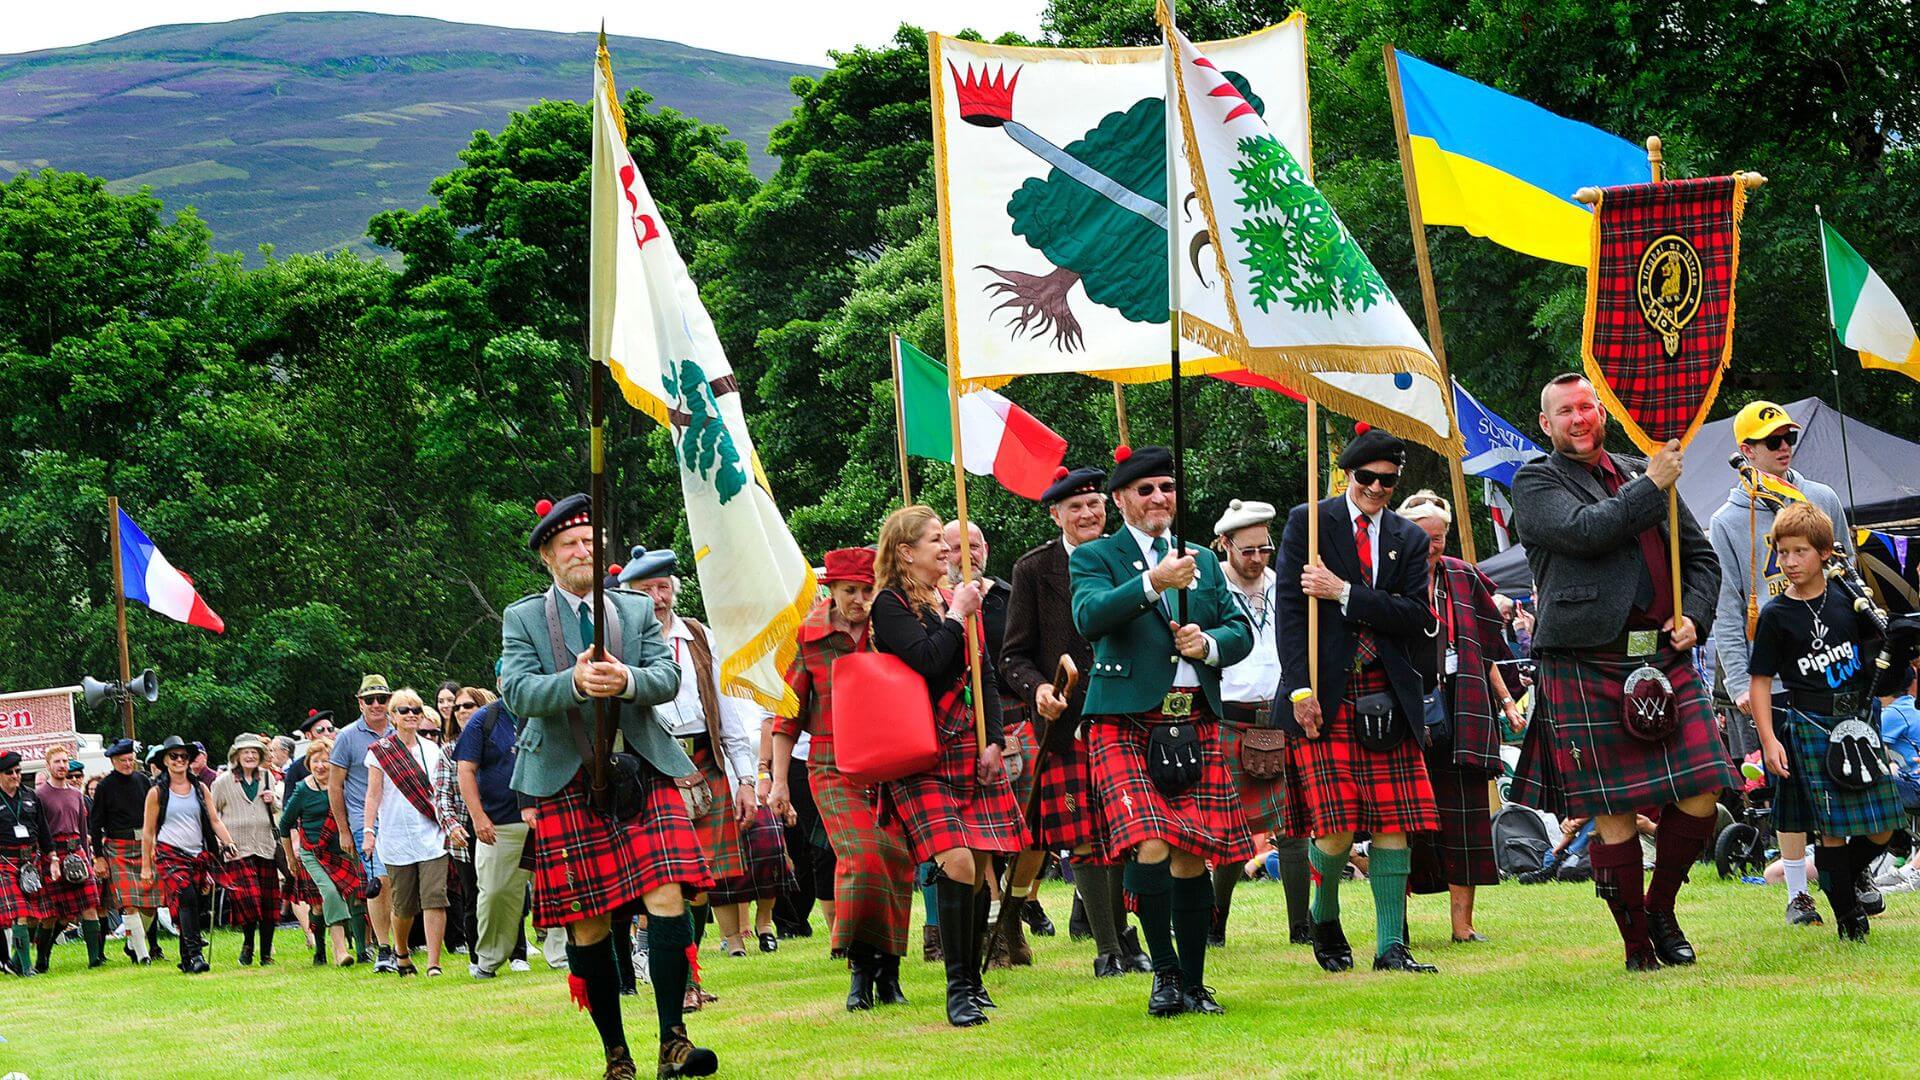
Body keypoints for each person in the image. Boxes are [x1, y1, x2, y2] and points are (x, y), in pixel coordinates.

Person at [1508, 372, 1733, 972]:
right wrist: (1654, 484)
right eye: (1566, 412)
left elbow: (1702, 557)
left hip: (1662, 654)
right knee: (1612, 811)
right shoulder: (1535, 481)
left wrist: (1697, 619)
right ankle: (1637, 946)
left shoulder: (1641, 471)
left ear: (1602, 413)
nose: (1580, 418)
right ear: (1546, 425)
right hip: (1585, 658)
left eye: (1588, 406)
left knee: (1707, 783)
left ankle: (1661, 909)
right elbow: (1586, 533)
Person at [502, 493, 717, 1080]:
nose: (584, 551)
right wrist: (571, 681)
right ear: (548, 554)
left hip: (640, 770)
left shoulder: (634, 610)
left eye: (592, 542)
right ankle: (616, 1056)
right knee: (589, 920)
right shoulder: (523, 618)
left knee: (669, 896)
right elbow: (517, 693)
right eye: (570, 544)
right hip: (564, 782)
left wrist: (624, 679)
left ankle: (674, 1038)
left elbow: (668, 677)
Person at [1070, 446, 1254, 1017]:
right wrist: (1152, 582)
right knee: (1150, 842)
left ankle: (1195, 983)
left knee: (1193, 853)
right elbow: (1090, 617)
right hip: (1124, 718)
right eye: (1145, 490)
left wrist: (1209, 645)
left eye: (1167, 488)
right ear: (1120, 499)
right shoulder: (1095, 556)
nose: (1158, 499)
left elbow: (1237, 631)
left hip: (1194, 715)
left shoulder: (1200, 555)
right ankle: (1165, 975)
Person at [1276, 428, 1442, 977]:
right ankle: (1323, 916)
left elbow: (1416, 616)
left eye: (1388, 481)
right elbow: (1291, 613)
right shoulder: (1310, 521)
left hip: (1389, 691)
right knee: (1337, 825)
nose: (1376, 489)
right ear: (1348, 474)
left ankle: (1392, 946)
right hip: (1326, 692)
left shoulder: (1408, 538)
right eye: (1367, 479)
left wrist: (1344, 593)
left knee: (1396, 822)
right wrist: (1300, 689)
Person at [870, 505, 1026, 1027]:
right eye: (936, 540)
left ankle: (974, 982)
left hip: (968, 746)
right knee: (956, 862)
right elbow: (929, 662)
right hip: (921, 751)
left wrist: (995, 741)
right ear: (905, 552)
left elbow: (985, 676)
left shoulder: (949, 597)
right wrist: (959, 615)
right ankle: (958, 989)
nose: (947, 548)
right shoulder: (889, 606)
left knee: (980, 867)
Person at [1708, 400, 1857, 928]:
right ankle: (1798, 893)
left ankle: (1850, 879)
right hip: (1773, 670)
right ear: (1745, 452)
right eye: (1771, 440)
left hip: (1831, 661)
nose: (1784, 446)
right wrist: (1739, 680)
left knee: (1848, 772)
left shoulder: (1821, 499)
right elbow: (1727, 606)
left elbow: (1848, 575)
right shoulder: (1726, 521)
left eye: (1788, 436)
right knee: (1790, 784)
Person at [1001, 464, 1153, 979]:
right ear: (1055, 514)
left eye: (1094, 504)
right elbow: (1012, 656)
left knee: (1126, 832)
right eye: (1075, 507)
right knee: (1087, 835)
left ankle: (1126, 936)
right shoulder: (1033, 569)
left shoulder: (1127, 557)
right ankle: (1109, 947)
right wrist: (1039, 689)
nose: (1087, 514)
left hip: (1130, 712)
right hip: (1065, 723)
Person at [770, 546, 917, 1012]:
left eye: (868, 589)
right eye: (849, 590)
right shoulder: (808, 636)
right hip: (832, 766)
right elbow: (787, 715)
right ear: (830, 590)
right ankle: (858, 969)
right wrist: (776, 782)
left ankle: (888, 971)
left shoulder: (894, 628)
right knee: (862, 858)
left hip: (894, 763)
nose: (860, 599)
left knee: (895, 863)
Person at [1749, 503, 1904, 940]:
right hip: (1811, 723)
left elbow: (1879, 652)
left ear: (1824, 554)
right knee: (1832, 831)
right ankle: (1847, 916)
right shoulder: (1777, 614)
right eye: (1783, 552)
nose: (1790, 562)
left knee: (1884, 826)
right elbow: (1760, 681)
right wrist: (1767, 739)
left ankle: (1844, 878)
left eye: (1800, 551)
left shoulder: (1848, 600)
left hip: (1857, 721)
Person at [623, 557, 772, 966]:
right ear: (629, 596)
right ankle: (660, 953)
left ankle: (685, 955)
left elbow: (726, 709)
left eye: (662, 587)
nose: (656, 598)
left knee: (704, 874)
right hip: (651, 760)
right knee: (664, 871)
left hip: (704, 756)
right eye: (645, 590)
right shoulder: (623, 640)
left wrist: (744, 778)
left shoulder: (699, 636)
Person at [1397, 491, 1526, 943]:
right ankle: (1397, 924)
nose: (1434, 545)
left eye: (1441, 536)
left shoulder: (1464, 576)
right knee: (1403, 817)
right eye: (1425, 537)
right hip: (1407, 706)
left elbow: (1488, 650)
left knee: (1467, 815)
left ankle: (1463, 926)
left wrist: (1507, 700)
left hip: (1465, 703)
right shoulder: (1388, 578)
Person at [945, 517, 1050, 967]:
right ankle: (995, 928)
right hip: (968, 728)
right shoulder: (938, 604)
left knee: (1036, 831)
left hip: (1021, 720)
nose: (967, 555)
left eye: (975, 545)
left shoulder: (1010, 595)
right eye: (955, 548)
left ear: (987, 547)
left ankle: (1011, 909)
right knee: (982, 837)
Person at [1207, 497, 1305, 948]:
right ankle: (1215, 924)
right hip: (1230, 716)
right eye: (1247, 550)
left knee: (1293, 826)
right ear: (1224, 544)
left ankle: (1300, 928)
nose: (1256, 559)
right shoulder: (1208, 590)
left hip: (1281, 713)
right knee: (1230, 829)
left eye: (1264, 549)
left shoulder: (1284, 584)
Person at [362, 687, 452, 977]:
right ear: (393, 716)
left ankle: (433, 964)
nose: (411, 716)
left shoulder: (432, 750)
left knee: (435, 899)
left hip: (431, 835)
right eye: (404, 711)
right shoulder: (381, 753)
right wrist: (368, 830)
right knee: (404, 907)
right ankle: (401, 952)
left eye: (416, 710)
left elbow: (441, 791)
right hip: (396, 836)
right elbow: (373, 796)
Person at [454, 681, 536, 978]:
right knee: (494, 893)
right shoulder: (484, 718)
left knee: (560, 887)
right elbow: (466, 770)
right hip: (499, 821)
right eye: (508, 676)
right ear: (500, 683)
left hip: (547, 817)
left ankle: (563, 954)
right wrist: (478, 817)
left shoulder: (544, 709)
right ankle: (488, 960)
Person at [140, 736, 239, 974]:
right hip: (169, 852)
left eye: (184, 756)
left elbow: (214, 820)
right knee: (186, 896)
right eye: (173, 756)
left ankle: (186, 958)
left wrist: (228, 842)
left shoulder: (200, 788)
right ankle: (196, 955)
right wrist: (146, 866)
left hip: (197, 853)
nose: (179, 760)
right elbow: (148, 832)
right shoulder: (156, 793)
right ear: (164, 760)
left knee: (195, 902)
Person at [279, 738, 368, 966]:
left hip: (344, 849)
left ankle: (362, 951)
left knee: (356, 897)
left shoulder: (345, 785)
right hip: (313, 853)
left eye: (326, 761)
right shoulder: (302, 790)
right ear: (308, 764)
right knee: (327, 895)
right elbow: (284, 825)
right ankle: (338, 952)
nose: (320, 766)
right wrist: (291, 858)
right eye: (315, 761)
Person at [330, 675, 397, 971]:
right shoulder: (347, 736)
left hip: (399, 818)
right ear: (360, 702)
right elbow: (335, 786)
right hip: (363, 820)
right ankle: (384, 949)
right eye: (370, 699)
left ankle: (400, 944)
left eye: (382, 698)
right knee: (379, 882)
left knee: (399, 883)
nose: (376, 705)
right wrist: (344, 829)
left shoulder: (401, 729)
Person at [211, 734, 283, 965]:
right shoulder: (223, 782)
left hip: (265, 847)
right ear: (237, 756)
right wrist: (221, 842)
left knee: (269, 902)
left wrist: (273, 800)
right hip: (237, 849)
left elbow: (276, 808)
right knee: (248, 900)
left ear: (260, 755)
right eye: (245, 752)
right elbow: (213, 815)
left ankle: (266, 954)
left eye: (254, 752)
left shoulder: (267, 777)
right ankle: (248, 942)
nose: (250, 756)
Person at [33, 743, 105, 971]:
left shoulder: (76, 795)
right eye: (57, 762)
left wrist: (88, 859)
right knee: (51, 915)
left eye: (65, 761)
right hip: (52, 854)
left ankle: (95, 959)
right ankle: (42, 959)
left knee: (90, 904)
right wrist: (41, 859)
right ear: (48, 766)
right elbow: (38, 832)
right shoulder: (40, 795)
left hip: (77, 852)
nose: (62, 766)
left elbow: (83, 830)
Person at [90, 738, 161, 965]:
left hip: (145, 844)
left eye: (130, 759)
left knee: (150, 903)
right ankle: (143, 956)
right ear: (113, 761)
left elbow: (156, 814)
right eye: (123, 760)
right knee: (129, 902)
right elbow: (95, 823)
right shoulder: (104, 787)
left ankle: (131, 945)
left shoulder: (143, 781)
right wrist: (99, 856)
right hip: (118, 847)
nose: (128, 764)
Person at [440, 685, 494, 971]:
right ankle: (478, 957)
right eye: (458, 707)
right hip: (465, 832)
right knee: (474, 896)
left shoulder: (498, 742)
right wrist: (452, 826)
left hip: (501, 824)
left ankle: (518, 952)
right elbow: (441, 795)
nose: (460, 711)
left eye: (468, 705)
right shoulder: (448, 751)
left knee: (506, 892)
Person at [0, 751, 46, 976]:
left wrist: (53, 857)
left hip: (31, 860)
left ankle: (15, 962)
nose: (15, 776)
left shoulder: (30, 796)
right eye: (10, 772)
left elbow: (43, 829)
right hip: (5, 861)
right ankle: (26, 968)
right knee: (20, 912)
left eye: (18, 771)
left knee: (34, 915)